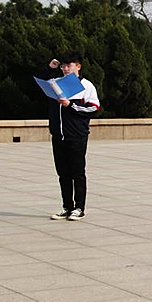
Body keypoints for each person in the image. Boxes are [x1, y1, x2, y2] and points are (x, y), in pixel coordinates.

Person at [44, 52, 100, 221]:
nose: (66, 69)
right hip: (58, 135)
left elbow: (94, 108)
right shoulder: (56, 84)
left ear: (78, 66)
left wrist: (71, 105)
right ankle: (67, 206)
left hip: (76, 135)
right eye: (63, 66)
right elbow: (40, 84)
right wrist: (49, 68)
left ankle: (79, 208)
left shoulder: (86, 85)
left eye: (69, 65)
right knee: (63, 173)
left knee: (77, 173)